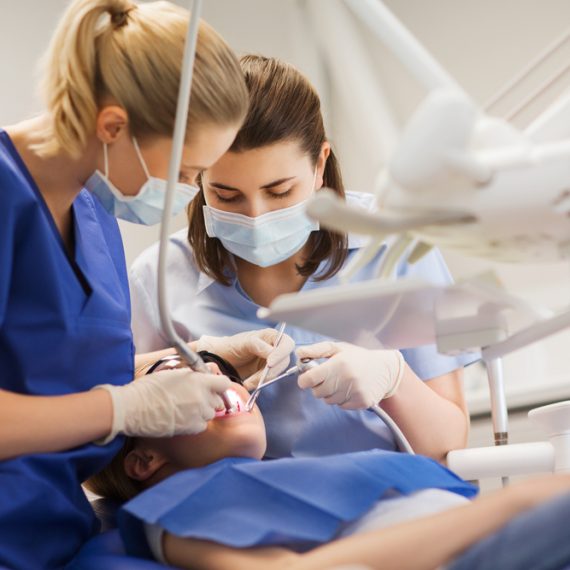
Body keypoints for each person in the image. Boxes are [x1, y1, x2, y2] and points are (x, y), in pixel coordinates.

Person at [0, 2, 294, 568]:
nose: (187, 191)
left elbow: (45, 371)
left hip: (54, 538)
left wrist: (197, 358)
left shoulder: (91, 211)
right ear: (113, 126)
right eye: (186, 174)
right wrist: (123, 409)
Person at [130, 55, 477, 462]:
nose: (256, 217)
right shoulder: (158, 278)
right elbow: (122, 439)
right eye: (226, 195)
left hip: (387, 499)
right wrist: (195, 365)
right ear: (197, 176)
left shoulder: (399, 247)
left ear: (320, 165)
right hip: (239, 510)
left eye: (279, 192)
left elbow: (449, 445)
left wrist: (395, 380)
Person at [85, 366, 570, 570]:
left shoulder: (270, 475)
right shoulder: (168, 514)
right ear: (144, 459)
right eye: (174, 375)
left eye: (208, 366)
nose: (211, 376)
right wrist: (516, 502)